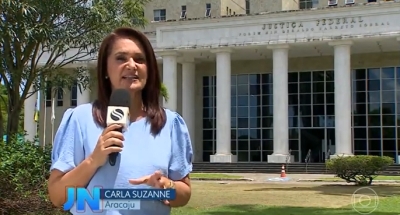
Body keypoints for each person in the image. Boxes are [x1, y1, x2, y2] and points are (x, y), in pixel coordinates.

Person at [47, 27, 193, 215]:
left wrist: (166, 185)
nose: (132, 65)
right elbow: (57, 196)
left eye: (140, 59)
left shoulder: (170, 123)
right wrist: (93, 160)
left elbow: (184, 193)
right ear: (105, 69)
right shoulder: (79, 119)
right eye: (121, 58)